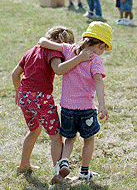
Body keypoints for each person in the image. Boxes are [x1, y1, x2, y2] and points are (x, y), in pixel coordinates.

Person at [12, 26, 93, 180]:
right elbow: (59, 70)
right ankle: (58, 173)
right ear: (61, 43)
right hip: (40, 98)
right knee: (56, 136)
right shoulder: (53, 52)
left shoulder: (31, 51)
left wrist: (18, 91)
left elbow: (15, 73)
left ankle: (24, 165)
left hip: (25, 96)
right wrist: (79, 58)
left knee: (34, 130)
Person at [39, 21, 112, 183]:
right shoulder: (96, 60)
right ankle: (84, 172)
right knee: (89, 139)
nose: (103, 52)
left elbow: (42, 42)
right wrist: (102, 104)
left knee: (69, 139)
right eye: (105, 48)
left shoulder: (69, 49)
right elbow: (99, 81)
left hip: (66, 108)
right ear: (100, 45)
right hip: (86, 109)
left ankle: (64, 161)